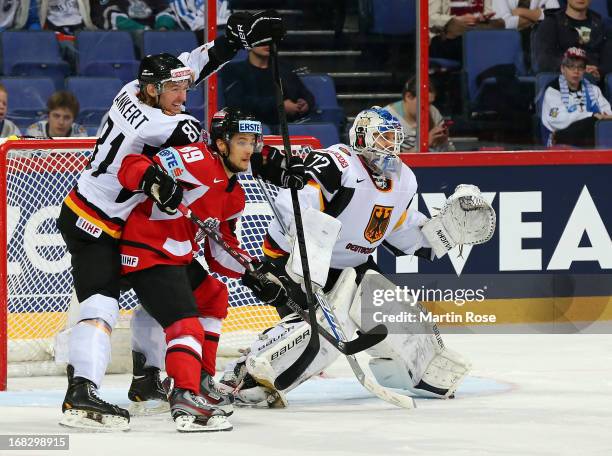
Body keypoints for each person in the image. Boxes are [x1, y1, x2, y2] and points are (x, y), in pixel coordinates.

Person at [56, 10, 286, 431]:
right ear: (152, 90)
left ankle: (147, 383)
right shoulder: (166, 124)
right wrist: (265, 160)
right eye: (174, 90)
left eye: (182, 88)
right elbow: (215, 150)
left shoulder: (135, 91)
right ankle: (80, 396)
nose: (183, 94)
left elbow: (193, 65)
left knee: (172, 291)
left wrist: (234, 40)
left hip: (114, 217)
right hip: (95, 222)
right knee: (101, 306)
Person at [221, 107, 493, 407]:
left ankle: (423, 373)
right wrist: (310, 255)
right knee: (322, 333)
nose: (391, 145)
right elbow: (292, 205)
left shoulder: (403, 179)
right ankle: (245, 378)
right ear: (361, 137)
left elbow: (399, 230)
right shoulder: (335, 164)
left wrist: (445, 232)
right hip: (292, 261)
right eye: (383, 137)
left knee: (397, 313)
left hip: (351, 266)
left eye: (395, 138)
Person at [117, 109, 294, 432]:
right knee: (185, 323)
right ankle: (185, 400)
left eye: (253, 142)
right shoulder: (197, 158)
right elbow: (131, 166)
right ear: (221, 144)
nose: (249, 150)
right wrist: (154, 181)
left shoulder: (234, 194)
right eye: (241, 141)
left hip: (176, 258)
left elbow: (220, 251)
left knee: (213, 295)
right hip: (146, 251)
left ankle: (200, 381)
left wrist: (253, 274)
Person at [221, 45, 315, 126]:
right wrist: (278, 105)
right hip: (250, 128)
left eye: (269, 39)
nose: (266, 44)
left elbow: (306, 95)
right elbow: (236, 103)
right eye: (261, 39)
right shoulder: (234, 70)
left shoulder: (283, 69)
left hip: (286, 128)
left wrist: (305, 104)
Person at [541, 47, 612, 146]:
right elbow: (559, 120)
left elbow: (607, 114)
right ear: (562, 69)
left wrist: (598, 117)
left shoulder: (594, 89)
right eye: (571, 66)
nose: (576, 71)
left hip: (592, 138)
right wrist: (592, 116)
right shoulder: (553, 90)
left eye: (580, 67)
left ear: (584, 70)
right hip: (562, 140)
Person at [535, 0, 611, 79]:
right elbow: (544, 60)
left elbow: (608, 62)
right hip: (559, 82)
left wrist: (599, 71)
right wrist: (575, 68)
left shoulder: (602, 26)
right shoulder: (551, 23)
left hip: (595, 84)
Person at [385, 77, 454, 152]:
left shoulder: (432, 111)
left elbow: (449, 151)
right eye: (424, 103)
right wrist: (424, 144)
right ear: (408, 97)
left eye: (430, 103)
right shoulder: (385, 119)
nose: (428, 108)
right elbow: (389, 161)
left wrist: (443, 142)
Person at [429, 0, 503, 62]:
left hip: (476, 33)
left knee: (501, 33)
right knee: (476, 45)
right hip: (448, 38)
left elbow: (487, 12)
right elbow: (429, 17)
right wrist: (456, 19)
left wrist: (483, 17)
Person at [90, 0, 175, 30]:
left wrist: (163, 27)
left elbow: (165, 10)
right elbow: (110, 15)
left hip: (156, 38)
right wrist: (145, 32)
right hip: (123, 42)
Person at [492, 0, 559, 30]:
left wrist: (521, 11)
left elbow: (556, 14)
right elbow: (505, 23)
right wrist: (537, 15)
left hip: (534, 40)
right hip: (508, 40)